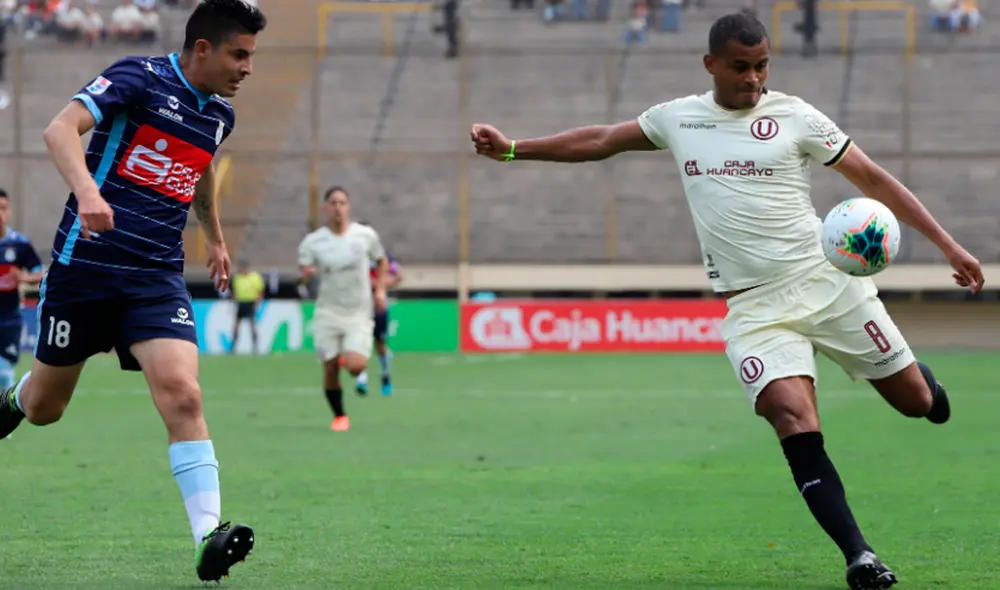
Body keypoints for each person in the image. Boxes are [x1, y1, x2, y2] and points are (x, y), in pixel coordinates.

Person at [469, 12, 984, 590]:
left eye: (762, 65)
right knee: (793, 417)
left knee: (917, 403)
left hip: (828, 285)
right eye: (741, 67)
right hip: (756, 310)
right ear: (710, 64)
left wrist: (948, 246)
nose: (753, 78)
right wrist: (512, 150)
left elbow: (873, 179)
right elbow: (600, 141)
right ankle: (859, 556)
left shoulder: (796, 116)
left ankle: (925, 383)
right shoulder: (679, 118)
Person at [0, 0, 267, 582]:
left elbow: (199, 168)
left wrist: (215, 239)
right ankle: (14, 399)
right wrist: (89, 194)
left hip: (155, 276)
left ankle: (208, 538)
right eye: (239, 55)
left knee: (184, 395)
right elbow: (59, 129)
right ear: (203, 49)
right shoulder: (138, 78)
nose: (248, 68)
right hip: (86, 269)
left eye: (251, 56)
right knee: (46, 408)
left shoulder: (219, 115)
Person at [298, 186, 388, 432]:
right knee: (329, 368)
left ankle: (344, 357)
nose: (338, 207)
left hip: (358, 312)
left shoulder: (365, 236)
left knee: (356, 365)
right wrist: (306, 276)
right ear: (325, 208)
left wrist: (380, 290)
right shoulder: (313, 242)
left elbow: (381, 261)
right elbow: (302, 274)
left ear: (348, 207)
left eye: (342, 203)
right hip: (327, 312)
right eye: (333, 203)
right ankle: (339, 416)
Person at [0, 189, 44, 391]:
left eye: (3, 208)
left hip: (9, 319)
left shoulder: (19, 244)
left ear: (9, 211)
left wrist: (24, 278)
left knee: (3, 370)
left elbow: (41, 273)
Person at [356, 246, 402, 397]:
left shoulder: (383, 256)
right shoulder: (355, 255)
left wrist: (379, 285)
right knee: (359, 343)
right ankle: (361, 379)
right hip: (359, 308)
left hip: (379, 308)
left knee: (380, 344)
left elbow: (398, 276)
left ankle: (385, 376)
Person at [229, 259, 265, 354]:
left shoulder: (254, 277)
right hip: (241, 303)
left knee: (252, 325)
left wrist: (258, 303)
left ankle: (255, 346)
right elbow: (233, 290)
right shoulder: (237, 278)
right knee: (237, 325)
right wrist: (234, 300)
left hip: (251, 302)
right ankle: (233, 346)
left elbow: (260, 291)